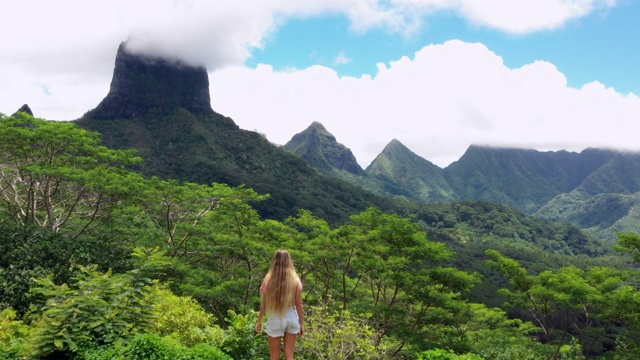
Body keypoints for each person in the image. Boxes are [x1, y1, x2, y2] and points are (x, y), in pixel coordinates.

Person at [256, 249, 305, 360]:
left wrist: (259, 322)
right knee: (289, 355)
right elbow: (299, 304)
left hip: (275, 318)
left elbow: (264, 304)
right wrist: (302, 323)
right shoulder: (295, 280)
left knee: (274, 356)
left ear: (275, 261)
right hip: (291, 317)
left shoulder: (269, 280)